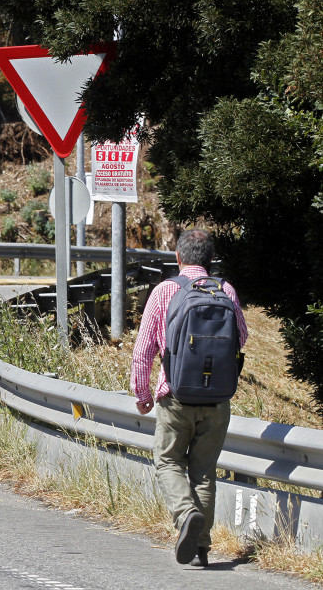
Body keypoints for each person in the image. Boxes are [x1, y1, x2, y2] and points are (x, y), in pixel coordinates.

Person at [130, 229, 249, 567]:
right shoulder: (226, 290)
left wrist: (141, 393)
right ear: (210, 261)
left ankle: (185, 515)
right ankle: (201, 547)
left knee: (167, 461)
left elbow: (143, 350)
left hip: (175, 396)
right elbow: (241, 337)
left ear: (178, 258)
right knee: (204, 472)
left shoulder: (164, 291)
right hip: (217, 400)